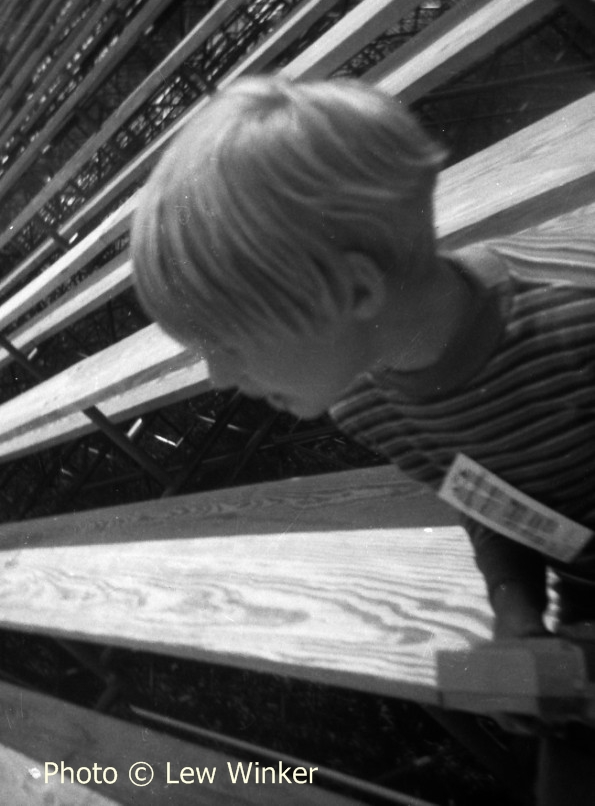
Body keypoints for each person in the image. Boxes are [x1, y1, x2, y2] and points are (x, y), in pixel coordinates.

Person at [130, 74, 595, 641]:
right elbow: (491, 498)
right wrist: (514, 602)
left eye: (228, 345)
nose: (221, 377)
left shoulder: (575, 317)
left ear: (355, 292)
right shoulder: (364, 402)